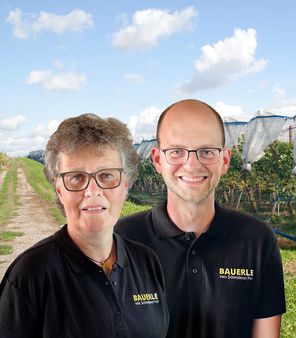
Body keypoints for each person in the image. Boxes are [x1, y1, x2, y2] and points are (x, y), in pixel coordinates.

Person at [115, 99, 286, 338]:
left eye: (206, 151)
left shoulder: (257, 241)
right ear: (157, 160)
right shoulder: (121, 240)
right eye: (176, 151)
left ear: (224, 160)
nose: (192, 164)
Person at [0, 114, 169, 338]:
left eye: (107, 175)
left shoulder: (146, 262)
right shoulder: (30, 275)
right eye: (77, 177)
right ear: (59, 190)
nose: (92, 191)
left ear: (125, 186)